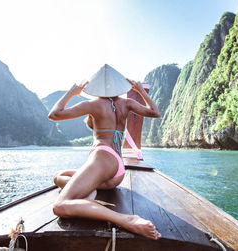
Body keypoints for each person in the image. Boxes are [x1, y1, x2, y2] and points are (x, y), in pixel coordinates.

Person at [47, 65, 161, 240]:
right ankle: (88, 192)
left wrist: (71, 92)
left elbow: (54, 114)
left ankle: (127, 220)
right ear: (118, 86)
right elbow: (155, 112)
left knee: (60, 205)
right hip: (116, 170)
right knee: (58, 176)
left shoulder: (93, 105)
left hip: (102, 158)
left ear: (96, 88)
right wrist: (140, 90)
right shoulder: (127, 103)